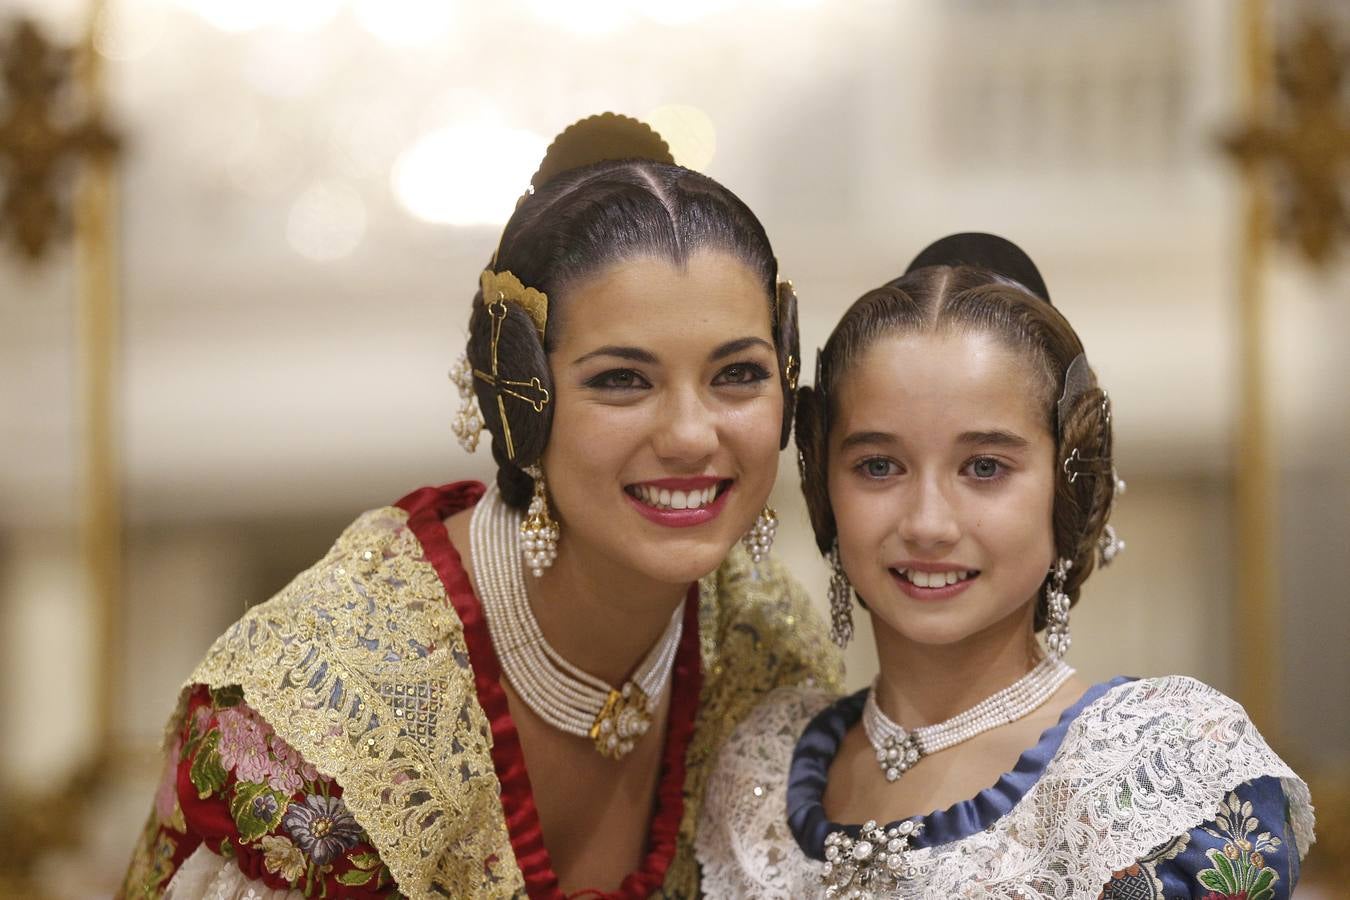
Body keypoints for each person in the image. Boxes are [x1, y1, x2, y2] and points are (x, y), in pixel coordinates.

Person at [119, 113, 841, 900]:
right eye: (621, 380)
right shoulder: (334, 717)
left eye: (737, 374)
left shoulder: (765, 650)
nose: (692, 435)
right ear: (517, 399)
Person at [696, 234, 1314, 898]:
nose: (928, 523)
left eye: (984, 467)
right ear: (825, 488)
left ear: (1068, 484)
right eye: (879, 466)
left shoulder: (1163, 769)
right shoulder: (757, 768)